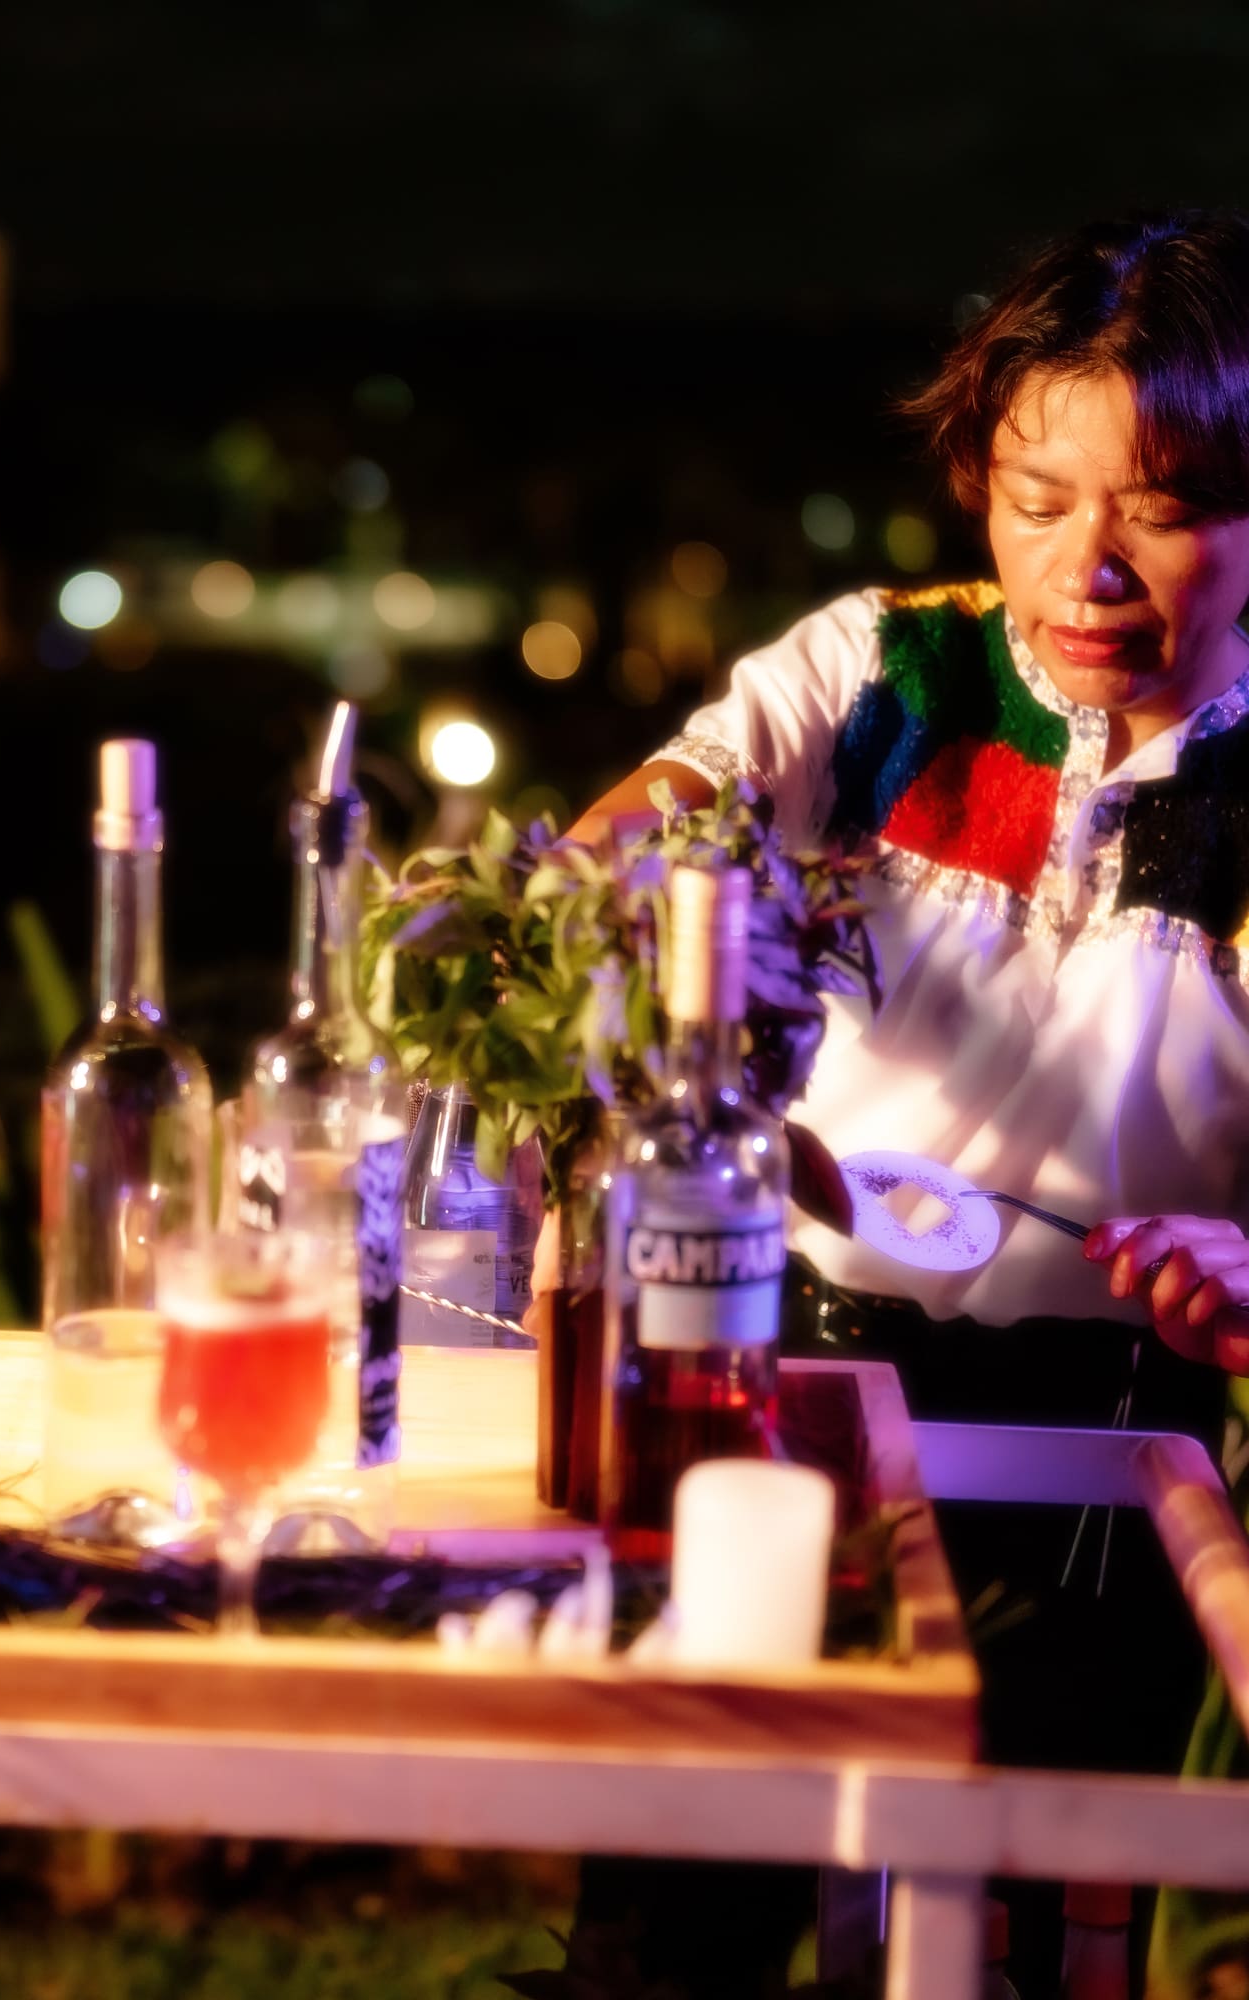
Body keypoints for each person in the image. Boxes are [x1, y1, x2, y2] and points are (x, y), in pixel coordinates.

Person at [562, 210, 1249, 1998]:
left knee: (1009, 1941)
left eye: (1162, 509)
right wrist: (650, 912)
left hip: (1100, 1425)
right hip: (781, 1361)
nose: (1088, 567)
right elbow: (645, 830)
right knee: (676, 1915)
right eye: (1040, 500)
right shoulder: (883, 670)